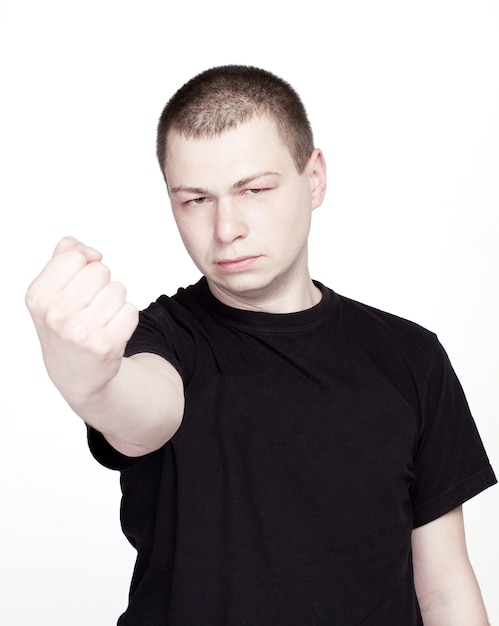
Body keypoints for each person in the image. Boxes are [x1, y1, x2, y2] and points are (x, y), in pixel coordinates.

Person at [26, 65, 496, 625]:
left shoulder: (412, 357)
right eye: (196, 200)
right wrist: (92, 384)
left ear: (314, 176)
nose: (227, 228)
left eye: (254, 189)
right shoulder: (159, 338)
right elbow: (144, 412)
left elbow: (444, 590)